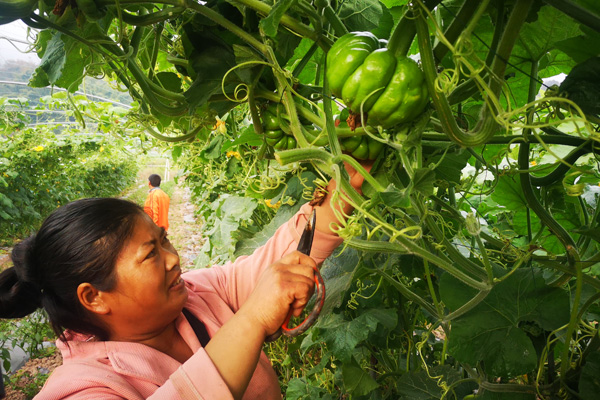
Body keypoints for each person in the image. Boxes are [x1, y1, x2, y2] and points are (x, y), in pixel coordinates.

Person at [0, 164, 369, 399]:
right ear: (93, 297)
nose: (174, 258)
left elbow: (275, 263)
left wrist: (343, 187)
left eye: (164, 240)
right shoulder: (84, 387)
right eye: (151, 253)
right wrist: (253, 319)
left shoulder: (198, 294)